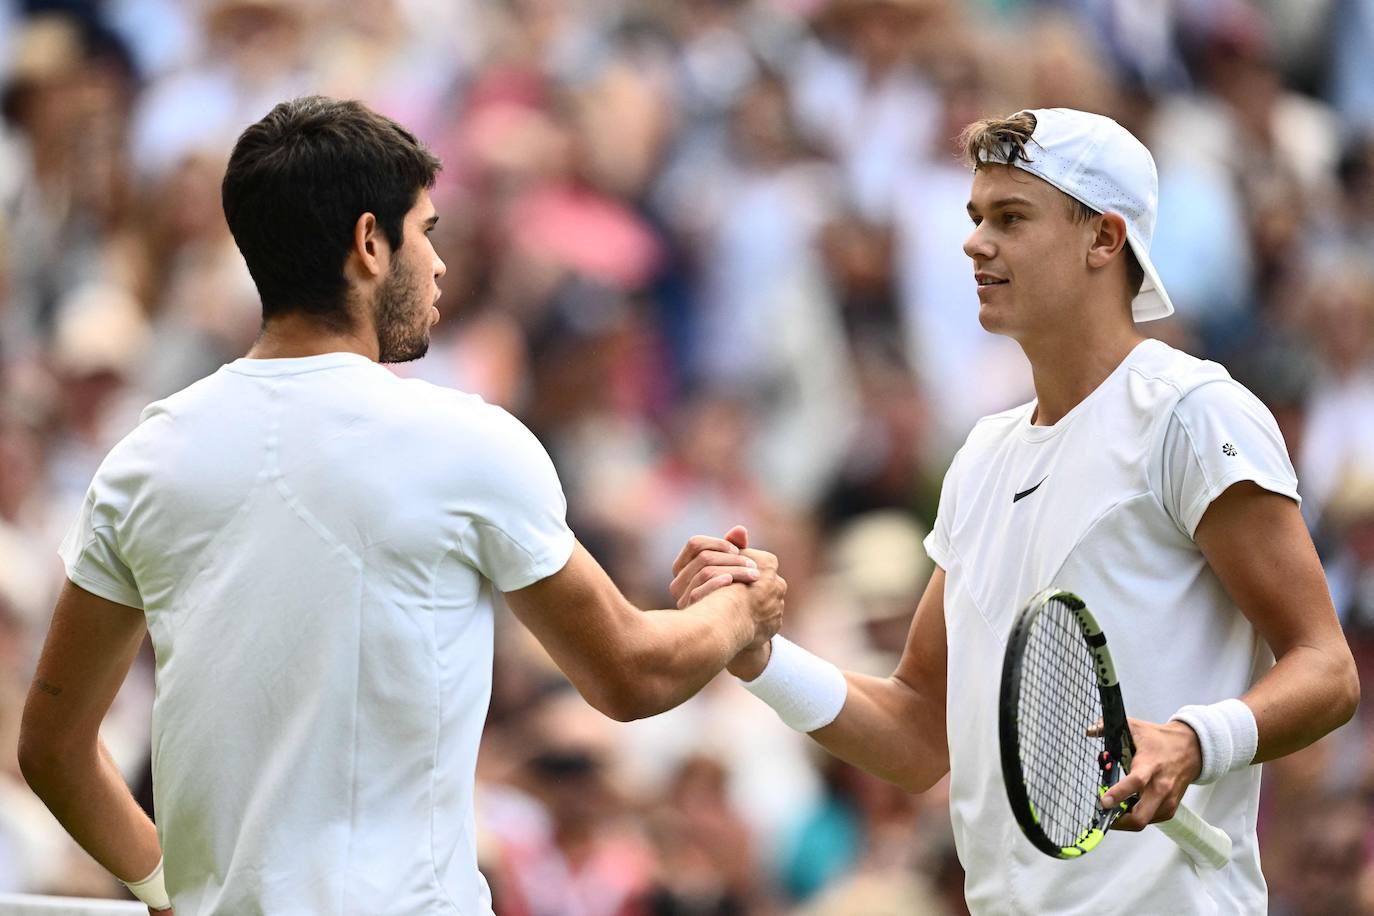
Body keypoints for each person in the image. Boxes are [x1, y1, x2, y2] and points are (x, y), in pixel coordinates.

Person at [16, 95, 786, 916]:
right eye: (427, 231)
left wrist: (167, 891)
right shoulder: (465, 441)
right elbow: (631, 673)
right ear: (370, 243)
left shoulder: (143, 460)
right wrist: (741, 613)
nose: (440, 263)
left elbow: (54, 750)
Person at [671, 108, 1360, 914]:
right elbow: (919, 733)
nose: (973, 242)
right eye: (974, 218)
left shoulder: (1193, 413)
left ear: (1104, 239)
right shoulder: (982, 459)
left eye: (1010, 218)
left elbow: (1327, 668)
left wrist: (1194, 741)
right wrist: (758, 655)